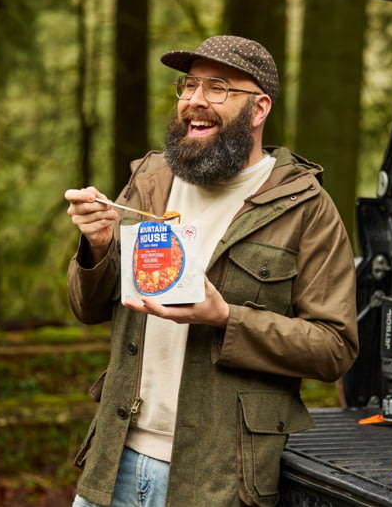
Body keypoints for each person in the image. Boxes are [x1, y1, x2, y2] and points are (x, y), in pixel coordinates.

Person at [64, 35, 358, 507]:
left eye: (218, 88)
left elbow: (334, 348)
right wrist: (97, 247)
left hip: (220, 480)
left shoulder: (305, 207)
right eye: (188, 85)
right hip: (112, 461)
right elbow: (86, 306)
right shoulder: (151, 180)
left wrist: (227, 318)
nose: (194, 101)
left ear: (259, 108)